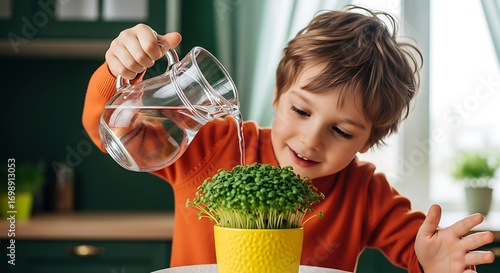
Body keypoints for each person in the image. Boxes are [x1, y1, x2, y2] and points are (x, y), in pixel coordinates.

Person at [82, 5, 495, 273]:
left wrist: (431, 258)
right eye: (301, 110)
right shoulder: (215, 146)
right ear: (278, 96)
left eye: (342, 131)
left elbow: (416, 246)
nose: (311, 139)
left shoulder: (365, 191)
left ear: (369, 140)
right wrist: (123, 73)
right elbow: (110, 129)